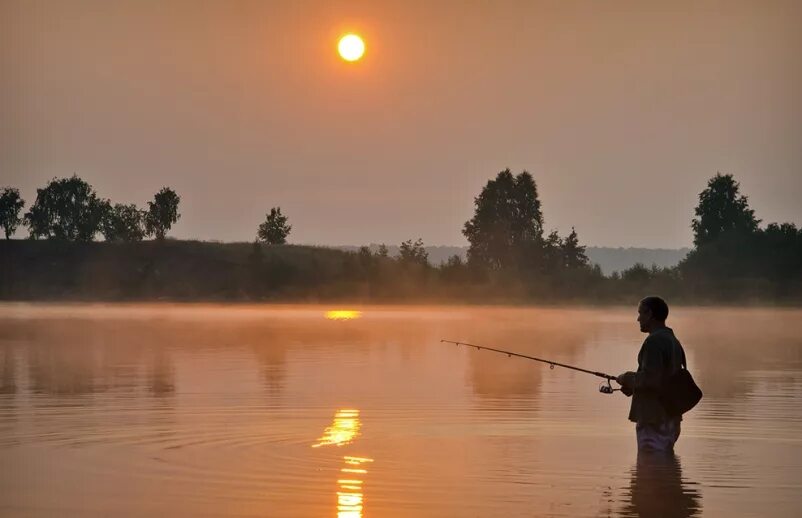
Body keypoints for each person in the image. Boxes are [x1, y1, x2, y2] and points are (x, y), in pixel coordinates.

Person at [617, 296, 686, 452]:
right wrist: (633, 386)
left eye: (641, 313)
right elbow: (663, 378)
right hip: (671, 417)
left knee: (648, 470)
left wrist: (626, 378)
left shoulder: (654, 342)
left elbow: (651, 379)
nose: (638, 319)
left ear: (650, 314)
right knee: (664, 469)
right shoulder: (672, 340)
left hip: (653, 418)